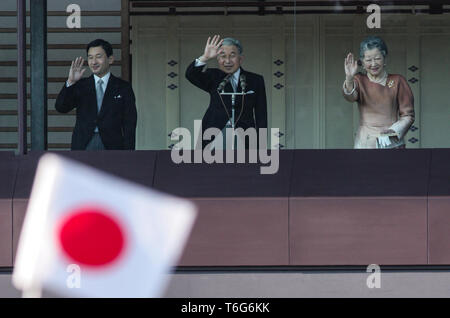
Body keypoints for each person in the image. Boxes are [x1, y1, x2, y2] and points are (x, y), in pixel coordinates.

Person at [185, 35, 268, 149]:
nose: (227, 61)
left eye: (232, 56)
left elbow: (261, 115)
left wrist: (261, 145)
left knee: (245, 166)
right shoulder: (213, 76)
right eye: (223, 56)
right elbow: (190, 75)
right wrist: (205, 57)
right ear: (218, 59)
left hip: (246, 137)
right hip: (212, 134)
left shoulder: (255, 80)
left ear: (240, 58)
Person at [55, 39, 137, 150]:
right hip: (84, 143)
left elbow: (129, 123)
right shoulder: (81, 85)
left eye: (98, 56)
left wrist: (129, 152)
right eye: (90, 57)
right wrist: (70, 82)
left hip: (113, 145)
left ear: (110, 59)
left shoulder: (123, 87)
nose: (94, 62)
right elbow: (61, 107)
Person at [343, 36, 414, 149]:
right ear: (362, 61)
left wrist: (392, 132)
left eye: (377, 58)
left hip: (391, 142)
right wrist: (349, 78)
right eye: (368, 60)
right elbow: (350, 96)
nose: (373, 63)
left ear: (384, 58)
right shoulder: (359, 80)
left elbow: (408, 115)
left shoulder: (397, 81)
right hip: (365, 142)